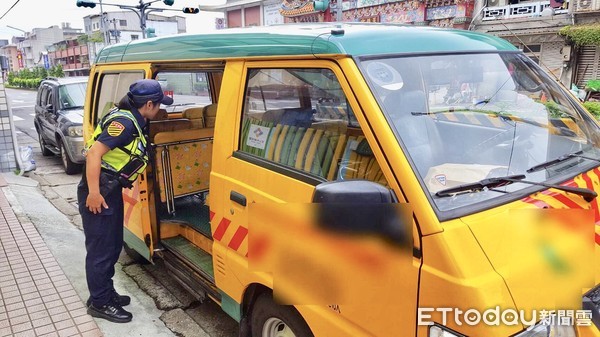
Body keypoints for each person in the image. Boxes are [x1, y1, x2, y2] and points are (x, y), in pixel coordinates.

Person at [77, 79, 173, 323]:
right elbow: (94, 154)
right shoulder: (125, 124)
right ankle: (99, 303)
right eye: (159, 104)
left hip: (109, 188)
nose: (161, 109)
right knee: (101, 250)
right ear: (148, 104)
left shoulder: (131, 117)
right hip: (100, 191)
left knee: (111, 245)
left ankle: (105, 293)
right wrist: (94, 193)